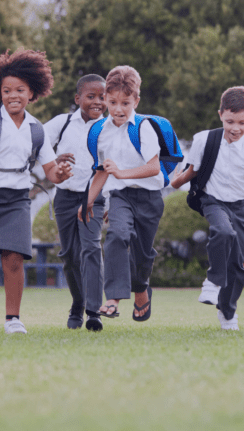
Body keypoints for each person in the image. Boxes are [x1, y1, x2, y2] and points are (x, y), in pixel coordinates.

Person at [0, 49, 72, 335]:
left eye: (20, 90)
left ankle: (13, 319)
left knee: (15, 258)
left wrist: (61, 173)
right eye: (6, 90)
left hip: (18, 198)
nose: (13, 95)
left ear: (32, 92)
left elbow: (50, 172)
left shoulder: (37, 129)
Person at [171, 86, 244, 330]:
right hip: (212, 200)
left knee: (237, 265)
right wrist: (176, 181)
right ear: (220, 114)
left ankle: (228, 311)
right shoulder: (205, 140)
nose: (235, 128)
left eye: (242, 122)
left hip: (243, 206)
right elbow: (193, 171)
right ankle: (212, 282)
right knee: (223, 232)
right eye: (230, 120)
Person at [79, 65, 166, 325]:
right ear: (105, 98)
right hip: (120, 196)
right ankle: (114, 298)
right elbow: (102, 172)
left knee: (142, 256)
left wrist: (121, 172)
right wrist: (88, 200)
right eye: (113, 101)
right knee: (117, 234)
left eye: (125, 103)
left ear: (136, 101)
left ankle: (141, 290)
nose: (118, 109)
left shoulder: (143, 127)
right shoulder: (99, 131)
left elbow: (153, 167)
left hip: (150, 198)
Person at [44, 74, 107, 331]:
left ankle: (94, 312)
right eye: (91, 96)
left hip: (94, 197)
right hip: (65, 198)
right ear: (77, 98)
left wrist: (100, 200)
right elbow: (38, 145)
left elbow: (110, 168)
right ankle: (77, 304)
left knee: (91, 249)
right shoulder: (63, 122)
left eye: (102, 97)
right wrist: (54, 158)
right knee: (70, 256)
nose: (97, 102)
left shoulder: (110, 127)